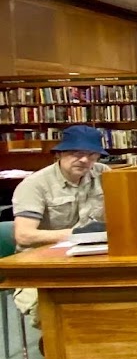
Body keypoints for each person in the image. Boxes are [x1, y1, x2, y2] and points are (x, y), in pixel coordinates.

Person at [11, 125, 110, 332]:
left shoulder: (103, 174)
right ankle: (59, 349)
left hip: (89, 259)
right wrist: (78, 236)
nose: (85, 160)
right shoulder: (35, 185)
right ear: (60, 153)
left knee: (115, 298)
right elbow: (24, 236)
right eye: (77, 153)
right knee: (54, 312)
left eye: (92, 154)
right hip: (39, 264)